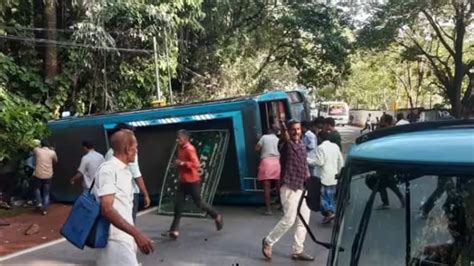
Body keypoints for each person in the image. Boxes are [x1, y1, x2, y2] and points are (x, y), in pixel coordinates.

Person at [94, 129, 154, 266]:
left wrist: (133, 237)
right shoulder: (108, 170)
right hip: (113, 240)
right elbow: (107, 209)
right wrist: (137, 234)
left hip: (124, 237)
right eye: (135, 147)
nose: (137, 151)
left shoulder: (125, 170)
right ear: (128, 149)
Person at [262, 120, 314, 261]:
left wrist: (309, 182)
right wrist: (284, 126)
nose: (296, 132)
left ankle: (298, 250)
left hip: (303, 187)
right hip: (289, 187)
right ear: (288, 131)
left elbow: (305, 166)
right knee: (289, 220)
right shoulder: (286, 145)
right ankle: (268, 241)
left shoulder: (302, 146)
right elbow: (285, 137)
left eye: (298, 129)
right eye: (293, 129)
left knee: (303, 221)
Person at [166, 130, 223, 239]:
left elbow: (196, 164)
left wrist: (182, 163)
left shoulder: (190, 149)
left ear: (186, 138)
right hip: (183, 181)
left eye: (179, 138)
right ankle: (174, 230)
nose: (177, 140)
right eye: (177, 138)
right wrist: (177, 165)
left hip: (192, 181)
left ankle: (216, 215)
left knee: (199, 203)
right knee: (178, 205)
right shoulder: (180, 147)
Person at [105, 123, 150, 222]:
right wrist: (146, 194)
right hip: (129, 193)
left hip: (116, 194)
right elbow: (136, 174)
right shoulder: (129, 153)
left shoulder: (109, 154)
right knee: (129, 220)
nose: (136, 150)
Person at [307, 131, 344, 224]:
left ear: (320, 138)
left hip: (323, 176)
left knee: (322, 198)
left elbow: (319, 162)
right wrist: (339, 172)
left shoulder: (320, 148)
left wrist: (307, 160)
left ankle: (330, 212)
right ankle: (329, 214)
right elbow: (341, 161)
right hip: (334, 176)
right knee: (330, 197)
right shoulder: (335, 146)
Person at [256, 125, 281, 215]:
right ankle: (282, 206)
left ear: (269, 130)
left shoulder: (264, 137)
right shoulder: (278, 139)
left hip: (266, 162)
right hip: (276, 162)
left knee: (267, 187)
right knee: (279, 186)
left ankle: (268, 209)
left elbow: (257, 148)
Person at [32, 139, 58, 215]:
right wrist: (52, 151)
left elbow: (34, 149)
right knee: (46, 193)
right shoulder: (52, 153)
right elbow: (56, 161)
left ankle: (39, 202)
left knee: (37, 188)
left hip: (38, 174)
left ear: (41, 145)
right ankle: (45, 210)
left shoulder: (37, 150)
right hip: (48, 175)